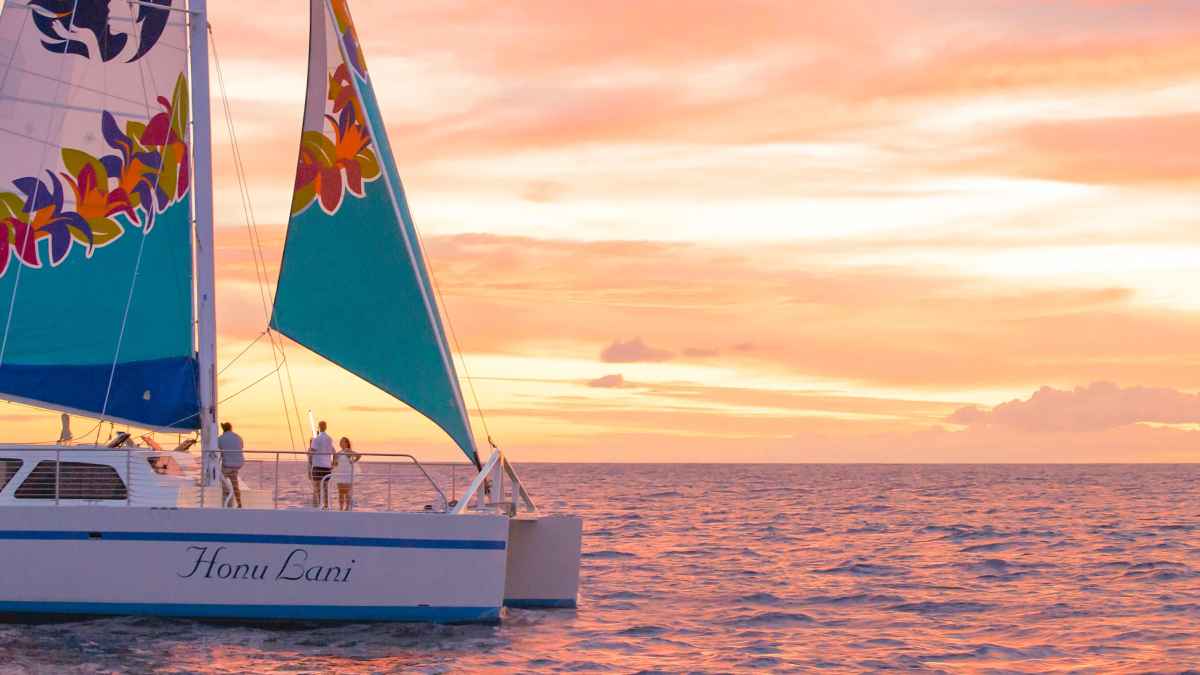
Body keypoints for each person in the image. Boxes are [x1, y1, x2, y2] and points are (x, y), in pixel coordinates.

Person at [217, 422, 245, 508]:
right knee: (235, 485)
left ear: (223, 429)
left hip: (227, 466)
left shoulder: (220, 439)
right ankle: (239, 503)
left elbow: (218, 450)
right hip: (237, 465)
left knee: (223, 483)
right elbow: (241, 446)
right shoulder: (238, 437)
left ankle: (227, 502)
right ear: (230, 428)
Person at [309, 420, 335, 508]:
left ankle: (320, 504)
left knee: (317, 486)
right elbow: (333, 452)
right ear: (326, 427)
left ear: (319, 427)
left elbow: (312, 452)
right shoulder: (330, 439)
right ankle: (326, 505)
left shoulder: (316, 439)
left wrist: (310, 464)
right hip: (327, 466)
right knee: (325, 487)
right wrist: (333, 464)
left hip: (318, 466)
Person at [332, 437, 362, 511]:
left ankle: (347, 507)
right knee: (340, 492)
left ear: (346, 443)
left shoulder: (347, 451)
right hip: (339, 473)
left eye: (343, 442)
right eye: (340, 441)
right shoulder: (337, 453)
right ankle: (341, 507)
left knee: (347, 491)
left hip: (347, 473)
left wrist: (353, 461)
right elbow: (334, 464)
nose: (341, 443)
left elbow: (359, 455)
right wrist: (333, 463)